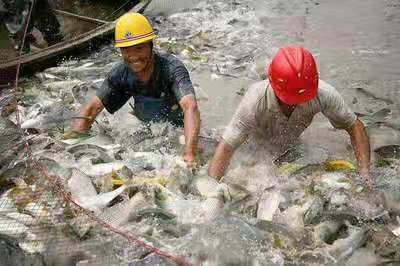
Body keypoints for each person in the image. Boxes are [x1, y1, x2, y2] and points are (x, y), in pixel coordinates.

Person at [208, 46, 372, 188]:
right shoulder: (255, 99)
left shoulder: (324, 94)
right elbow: (227, 147)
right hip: (251, 147)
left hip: (289, 147)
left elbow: (355, 127)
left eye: (301, 98)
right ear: (272, 84)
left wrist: (364, 173)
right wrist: (211, 190)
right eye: (290, 100)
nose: (295, 104)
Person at [70, 12, 200, 167]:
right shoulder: (120, 73)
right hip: (146, 127)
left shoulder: (172, 68)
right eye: (126, 50)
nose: (133, 56)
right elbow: (91, 109)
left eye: (139, 48)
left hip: (177, 130)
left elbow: (190, 107)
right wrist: (73, 143)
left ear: (151, 45)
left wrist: (189, 152)